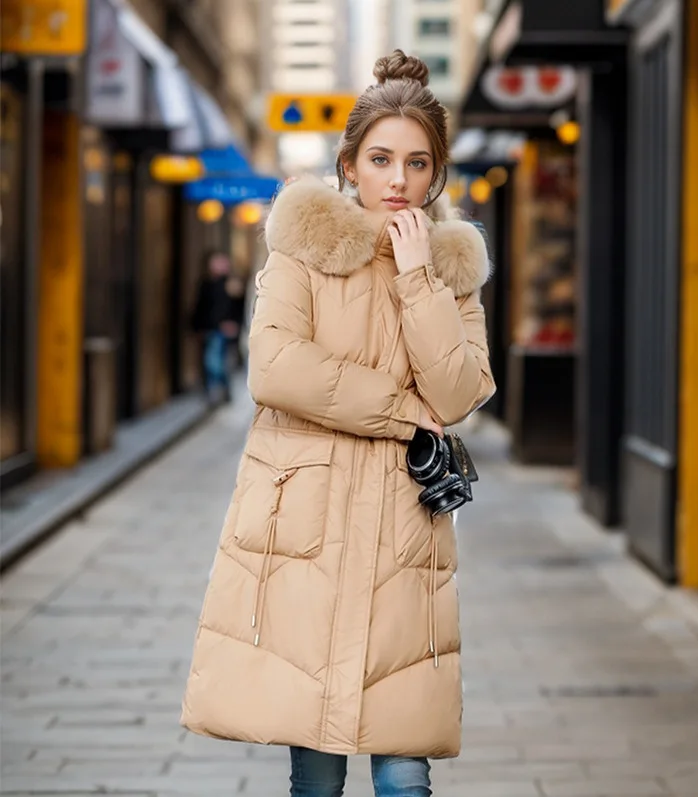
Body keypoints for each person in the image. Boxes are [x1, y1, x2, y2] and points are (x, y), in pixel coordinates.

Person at [181, 50, 496, 796]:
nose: (398, 179)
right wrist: (396, 411)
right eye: (381, 159)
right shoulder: (305, 247)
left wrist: (418, 278)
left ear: (436, 174)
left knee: (402, 774)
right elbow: (275, 368)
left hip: (402, 536)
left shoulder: (451, 270)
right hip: (305, 533)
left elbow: (455, 394)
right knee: (316, 774)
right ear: (348, 165)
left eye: (417, 163)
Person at [191, 250, 241, 403]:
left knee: (216, 361)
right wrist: (196, 327)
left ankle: (219, 390)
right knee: (212, 361)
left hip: (224, 329)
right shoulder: (205, 283)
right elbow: (199, 307)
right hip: (209, 328)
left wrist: (235, 324)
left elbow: (237, 307)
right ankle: (216, 390)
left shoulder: (232, 284)